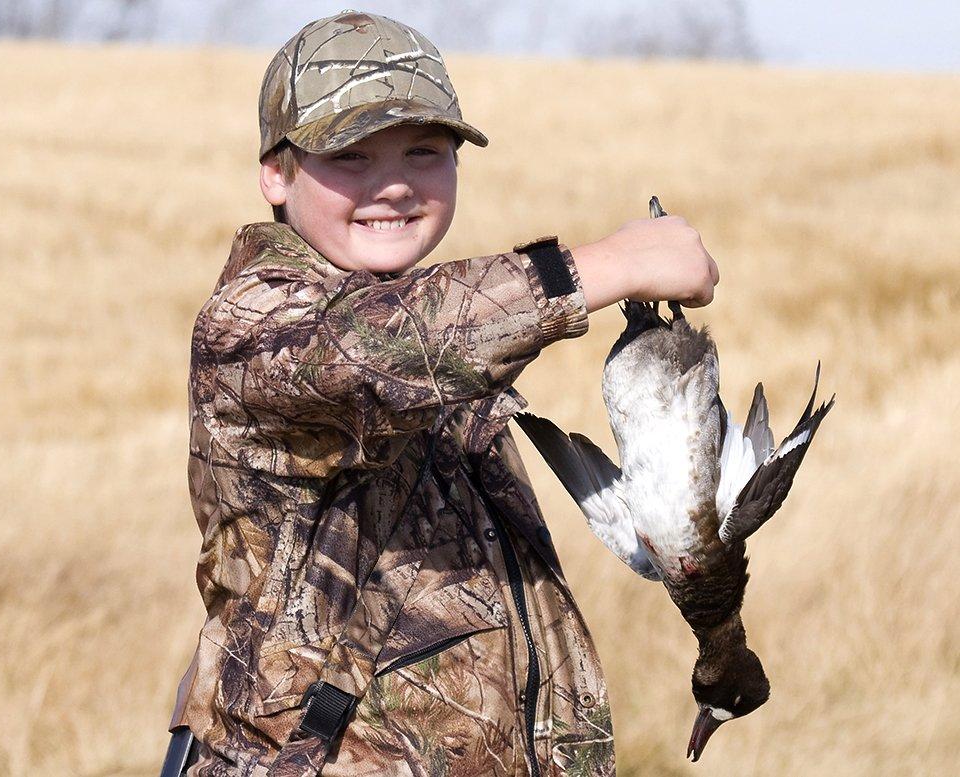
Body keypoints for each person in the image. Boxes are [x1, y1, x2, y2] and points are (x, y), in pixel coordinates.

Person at [164, 10, 718, 777]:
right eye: (350, 155)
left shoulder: (440, 347)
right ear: (274, 173)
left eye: (425, 152)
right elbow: (372, 347)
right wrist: (611, 264)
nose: (392, 182)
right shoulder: (254, 322)